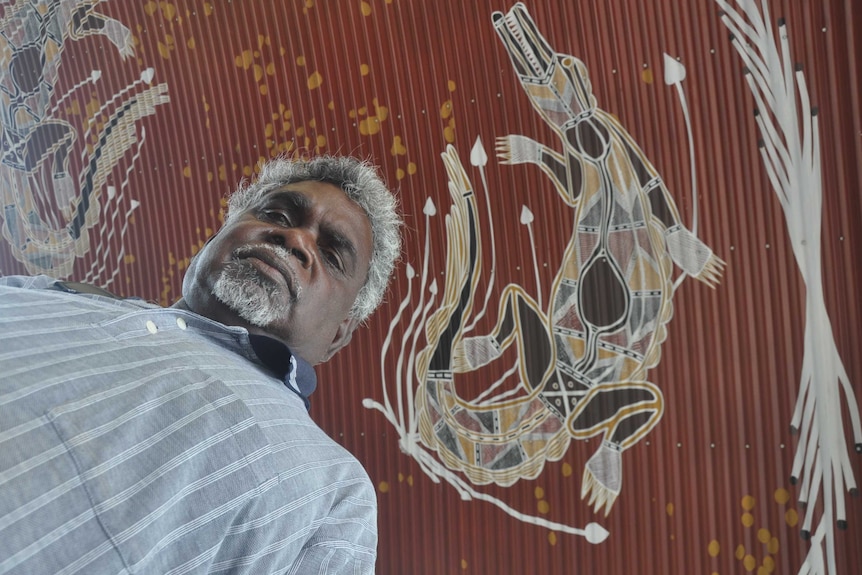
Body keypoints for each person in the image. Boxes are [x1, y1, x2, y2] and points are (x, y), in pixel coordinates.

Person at [0, 155, 402, 574]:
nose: (295, 239)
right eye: (277, 214)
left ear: (338, 333)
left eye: (332, 254)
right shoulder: (44, 291)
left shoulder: (336, 489)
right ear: (218, 236)